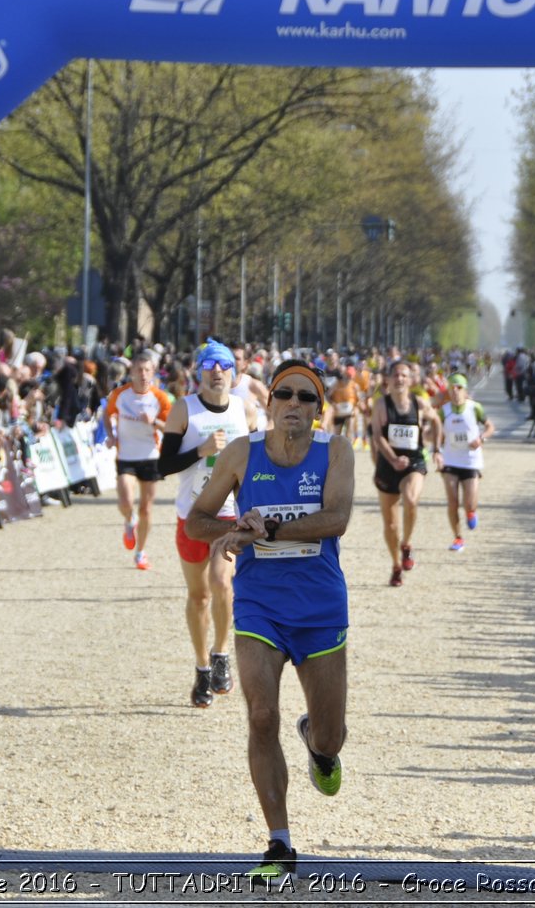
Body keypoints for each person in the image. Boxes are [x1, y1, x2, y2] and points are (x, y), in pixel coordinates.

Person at [185, 359, 355, 880]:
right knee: (261, 715)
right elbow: (196, 521)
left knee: (330, 736)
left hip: (320, 605)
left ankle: (318, 747)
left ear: (318, 410)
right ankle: (279, 843)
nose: (295, 405)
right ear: (270, 402)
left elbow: (337, 520)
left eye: (308, 398)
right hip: (259, 604)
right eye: (286, 395)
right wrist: (236, 526)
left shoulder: (335, 452)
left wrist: (269, 530)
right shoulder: (243, 453)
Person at [156, 340, 257, 707]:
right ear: (199, 373)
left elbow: (255, 464)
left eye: (224, 367)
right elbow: (162, 467)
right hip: (191, 515)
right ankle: (201, 668)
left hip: (228, 514)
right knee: (198, 595)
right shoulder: (184, 410)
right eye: (210, 367)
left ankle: (221, 654)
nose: (217, 373)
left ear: (234, 373)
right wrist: (200, 451)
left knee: (221, 582)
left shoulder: (244, 411)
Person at [371, 358, 439, 586]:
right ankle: (396, 565)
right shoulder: (381, 405)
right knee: (390, 525)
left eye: (404, 375)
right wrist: (392, 458)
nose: (399, 379)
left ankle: (407, 544)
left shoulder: (419, 403)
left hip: (414, 462)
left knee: (410, 499)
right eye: (396, 375)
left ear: (410, 380)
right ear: (388, 379)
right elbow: (377, 436)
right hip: (388, 464)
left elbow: (437, 421)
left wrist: (437, 449)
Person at [103, 350, 172, 570]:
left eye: (147, 370)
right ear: (131, 372)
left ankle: (140, 552)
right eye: (139, 370)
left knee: (147, 509)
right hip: (126, 455)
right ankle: (128, 520)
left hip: (151, 455)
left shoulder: (160, 398)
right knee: (125, 501)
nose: (143, 375)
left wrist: (154, 422)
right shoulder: (120, 395)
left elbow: (171, 427)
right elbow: (107, 413)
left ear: (153, 373)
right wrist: (111, 435)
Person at [436, 373, 493, 553]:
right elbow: (436, 432)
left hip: (471, 460)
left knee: (469, 502)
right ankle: (458, 537)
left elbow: (490, 426)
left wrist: (481, 438)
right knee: (452, 502)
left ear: (465, 390)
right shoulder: (443, 410)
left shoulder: (475, 408)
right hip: (451, 460)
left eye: (459, 388)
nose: (455, 391)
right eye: (451, 388)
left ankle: (471, 512)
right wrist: (435, 449)